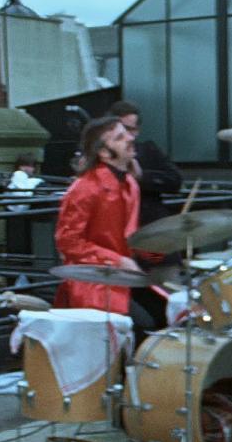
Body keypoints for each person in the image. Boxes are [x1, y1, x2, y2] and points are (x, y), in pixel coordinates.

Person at [53, 117, 160, 341]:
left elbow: (129, 235)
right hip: (94, 283)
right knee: (144, 327)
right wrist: (118, 261)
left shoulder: (130, 183)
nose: (131, 138)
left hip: (123, 276)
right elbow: (68, 242)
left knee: (170, 314)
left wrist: (165, 245)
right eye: (120, 137)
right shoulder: (84, 188)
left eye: (128, 133)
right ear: (103, 152)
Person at [106, 100, 183, 227]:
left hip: (146, 224)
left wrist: (142, 176)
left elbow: (175, 180)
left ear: (137, 131)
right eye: (122, 130)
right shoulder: (100, 155)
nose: (127, 136)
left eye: (131, 130)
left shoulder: (148, 150)